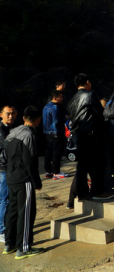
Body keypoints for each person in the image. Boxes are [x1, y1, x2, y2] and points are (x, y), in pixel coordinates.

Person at [67, 73, 114, 207]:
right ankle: (97, 191)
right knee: (96, 164)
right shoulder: (90, 95)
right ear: (88, 82)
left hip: (77, 136)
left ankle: (82, 193)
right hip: (90, 135)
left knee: (82, 166)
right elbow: (100, 114)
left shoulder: (72, 99)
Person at [4, 106, 43, 259]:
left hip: (11, 177)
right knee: (26, 213)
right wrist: (36, 182)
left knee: (13, 211)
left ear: (23, 118)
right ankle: (23, 248)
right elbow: (30, 162)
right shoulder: (29, 135)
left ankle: (9, 244)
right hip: (23, 179)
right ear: (37, 119)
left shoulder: (13, 132)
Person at [0, 104, 19, 245]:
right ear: (1, 114)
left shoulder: (12, 128)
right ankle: (1, 231)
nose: (10, 116)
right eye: (8, 113)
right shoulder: (1, 129)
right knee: (5, 200)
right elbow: (9, 147)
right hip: (3, 168)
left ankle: (7, 228)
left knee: (8, 200)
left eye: (12, 113)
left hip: (10, 167)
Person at [42, 91, 68, 179]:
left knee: (48, 152)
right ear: (55, 98)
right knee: (57, 152)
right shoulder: (55, 107)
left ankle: (48, 171)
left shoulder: (46, 106)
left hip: (47, 132)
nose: (62, 99)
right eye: (60, 97)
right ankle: (56, 172)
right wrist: (65, 118)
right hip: (56, 132)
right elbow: (57, 121)